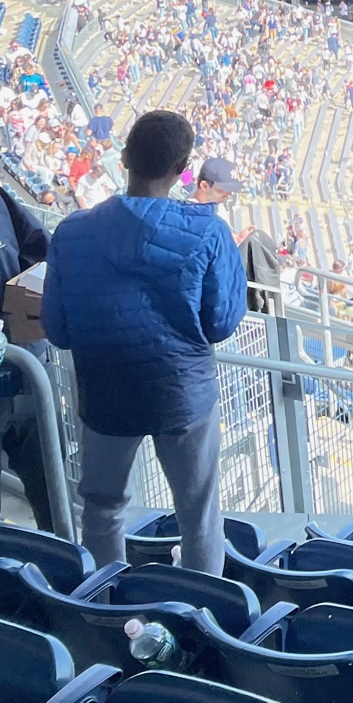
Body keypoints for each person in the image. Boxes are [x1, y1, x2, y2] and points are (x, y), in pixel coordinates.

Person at [42, 110, 247, 574]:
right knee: (199, 517)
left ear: (125, 157)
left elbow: (57, 329)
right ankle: (200, 618)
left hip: (105, 395)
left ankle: (103, 610)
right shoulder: (209, 232)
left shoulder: (71, 233)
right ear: (182, 170)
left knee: (102, 510)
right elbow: (221, 321)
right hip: (182, 395)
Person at [0, 183, 54, 531]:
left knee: (48, 486)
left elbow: (38, 251)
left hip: (19, 381)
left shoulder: (3, 201)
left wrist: (22, 335)